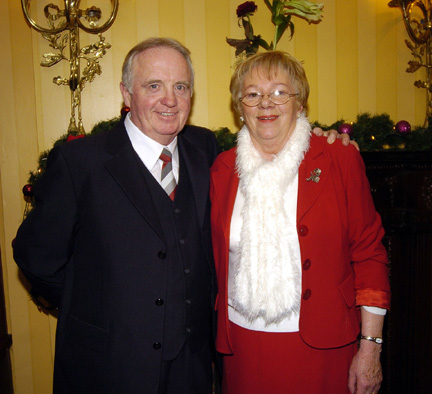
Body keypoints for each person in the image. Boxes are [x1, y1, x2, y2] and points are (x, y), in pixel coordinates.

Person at [13, 38, 350, 394]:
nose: (169, 99)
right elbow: (36, 257)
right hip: (109, 364)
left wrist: (318, 138)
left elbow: (270, 147)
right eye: (153, 86)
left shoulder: (205, 150)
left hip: (192, 365)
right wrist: (95, 304)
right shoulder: (80, 161)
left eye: (180, 87)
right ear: (127, 94)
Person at [209, 51, 391, 394]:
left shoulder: (338, 157)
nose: (266, 103)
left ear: (299, 102)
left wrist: (371, 346)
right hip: (242, 346)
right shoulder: (220, 169)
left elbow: (369, 254)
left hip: (322, 345)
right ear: (239, 106)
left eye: (280, 92)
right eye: (252, 94)